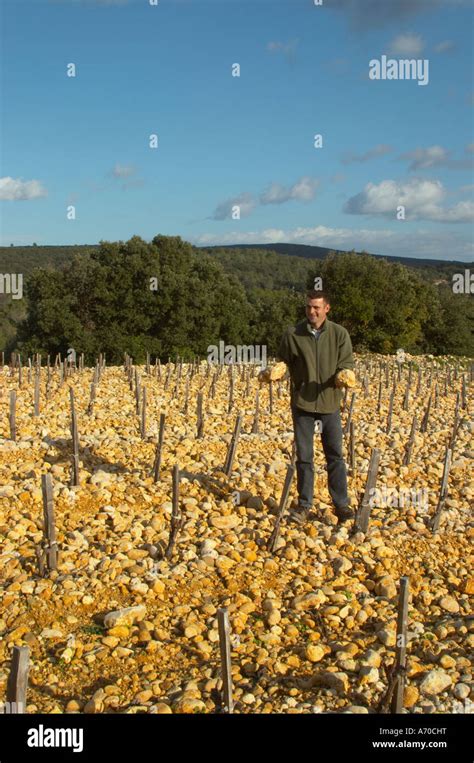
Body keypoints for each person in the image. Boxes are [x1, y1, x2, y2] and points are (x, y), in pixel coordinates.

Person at [277, 289, 355, 525]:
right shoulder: (293, 334)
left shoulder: (339, 334)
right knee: (305, 457)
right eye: (309, 307)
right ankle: (304, 506)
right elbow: (284, 363)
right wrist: (274, 373)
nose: (312, 311)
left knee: (335, 456)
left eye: (316, 307)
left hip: (330, 404)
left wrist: (344, 376)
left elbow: (347, 364)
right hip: (303, 404)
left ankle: (341, 505)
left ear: (326, 309)